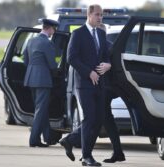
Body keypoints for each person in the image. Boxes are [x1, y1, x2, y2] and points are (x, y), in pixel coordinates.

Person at [59, 4, 110, 166]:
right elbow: (71, 58)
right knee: (89, 118)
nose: (100, 18)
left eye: (101, 15)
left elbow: (106, 56)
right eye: (97, 15)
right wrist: (89, 72)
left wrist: (108, 65)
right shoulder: (78, 34)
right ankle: (87, 156)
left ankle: (69, 140)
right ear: (89, 15)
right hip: (84, 84)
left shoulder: (101, 34)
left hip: (100, 84)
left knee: (98, 119)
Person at [23, 18, 59, 147]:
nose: (53, 33)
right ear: (49, 28)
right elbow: (52, 64)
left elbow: (25, 59)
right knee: (40, 110)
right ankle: (34, 140)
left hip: (31, 78)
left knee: (41, 109)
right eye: (53, 30)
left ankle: (48, 137)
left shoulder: (31, 40)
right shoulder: (47, 43)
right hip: (43, 80)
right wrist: (57, 73)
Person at [98, 23, 126, 163]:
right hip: (112, 88)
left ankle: (73, 141)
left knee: (99, 119)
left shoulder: (103, 47)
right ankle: (118, 152)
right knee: (105, 120)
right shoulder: (111, 46)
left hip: (106, 89)